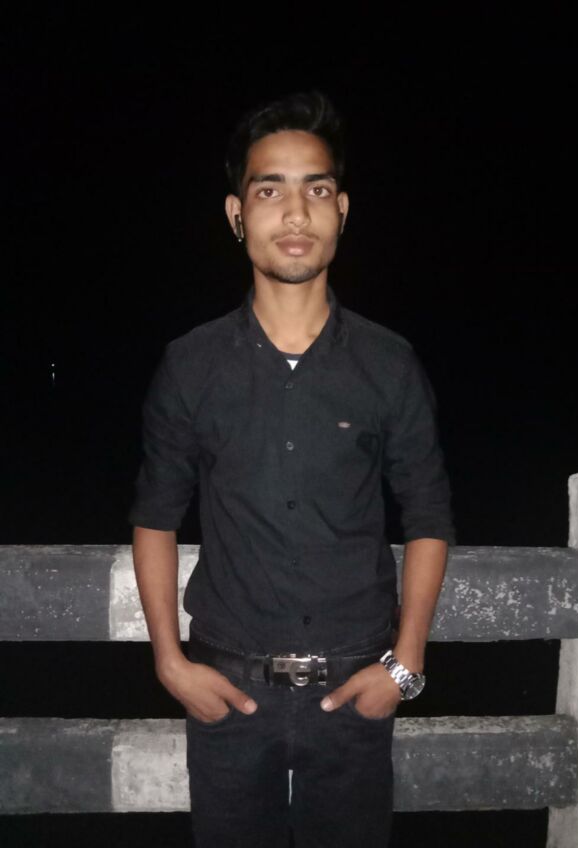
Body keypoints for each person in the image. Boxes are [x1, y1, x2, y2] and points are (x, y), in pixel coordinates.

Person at [128, 90, 454, 848]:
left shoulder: (388, 364)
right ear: (237, 214)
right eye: (269, 190)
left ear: (342, 209)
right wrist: (170, 664)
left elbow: (429, 515)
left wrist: (404, 665)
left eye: (317, 189)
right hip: (227, 693)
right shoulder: (191, 365)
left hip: (356, 692)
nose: (296, 213)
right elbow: (155, 517)